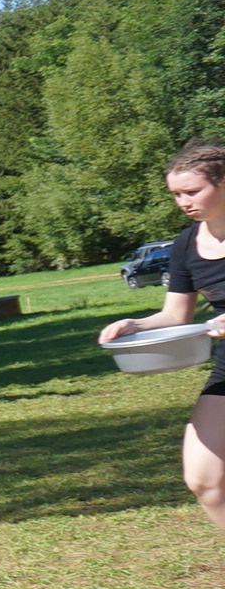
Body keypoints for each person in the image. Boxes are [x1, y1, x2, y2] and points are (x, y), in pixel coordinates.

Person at [96, 139, 225, 533]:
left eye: (192, 191)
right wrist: (133, 325)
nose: (183, 202)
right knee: (204, 479)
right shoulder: (186, 244)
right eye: (176, 194)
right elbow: (175, 314)